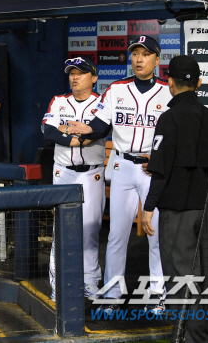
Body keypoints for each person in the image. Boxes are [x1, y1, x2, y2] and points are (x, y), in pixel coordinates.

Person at [69, 35, 172, 315]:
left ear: (157, 59)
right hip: (123, 166)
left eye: (145, 53)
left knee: (156, 233)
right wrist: (86, 129)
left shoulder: (167, 90)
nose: (139, 59)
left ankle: (158, 294)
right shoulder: (117, 89)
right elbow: (101, 126)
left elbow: (176, 133)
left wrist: (161, 159)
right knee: (117, 234)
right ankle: (113, 294)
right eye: (135, 53)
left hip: (154, 169)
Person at [140, 56, 208, 343]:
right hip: (206, 209)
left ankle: (187, 337)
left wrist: (148, 207)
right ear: (198, 83)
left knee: (179, 278)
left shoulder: (169, 117)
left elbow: (161, 170)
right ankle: (201, 336)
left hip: (177, 212)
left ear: (170, 83)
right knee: (202, 275)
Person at [42, 57, 107, 302]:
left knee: (90, 229)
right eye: (71, 73)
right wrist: (74, 136)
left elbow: (101, 130)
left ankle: (90, 283)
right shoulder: (59, 101)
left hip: (92, 173)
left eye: (80, 72)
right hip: (64, 171)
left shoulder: (102, 103)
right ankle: (58, 285)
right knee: (62, 229)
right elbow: (48, 131)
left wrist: (66, 129)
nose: (74, 77)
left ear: (94, 77)